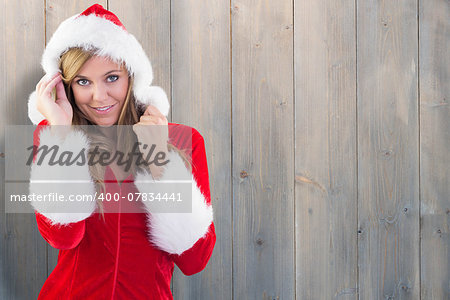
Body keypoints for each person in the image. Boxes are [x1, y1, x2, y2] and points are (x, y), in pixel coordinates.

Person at [26, 4, 215, 299]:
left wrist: (160, 163)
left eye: (112, 78)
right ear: (66, 87)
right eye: (83, 82)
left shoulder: (182, 140)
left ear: (132, 77)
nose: (99, 97)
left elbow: (194, 260)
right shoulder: (55, 137)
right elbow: (62, 236)